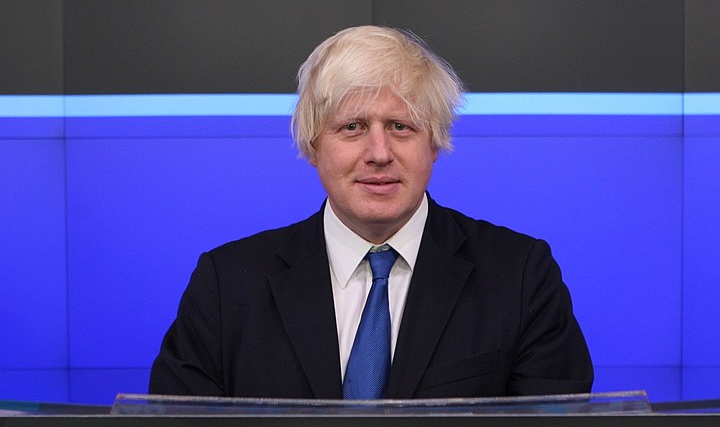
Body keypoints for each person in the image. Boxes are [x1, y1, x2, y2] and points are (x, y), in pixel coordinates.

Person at [149, 25, 593, 399]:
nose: (379, 153)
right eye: (352, 127)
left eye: (401, 127)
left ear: (434, 144)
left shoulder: (520, 275)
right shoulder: (226, 283)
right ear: (313, 145)